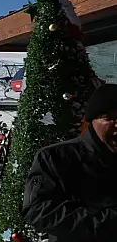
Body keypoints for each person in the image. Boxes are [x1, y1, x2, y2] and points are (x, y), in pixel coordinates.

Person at [22, 85, 117, 241]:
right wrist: (107, 222)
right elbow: (37, 210)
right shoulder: (55, 157)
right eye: (109, 118)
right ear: (92, 120)